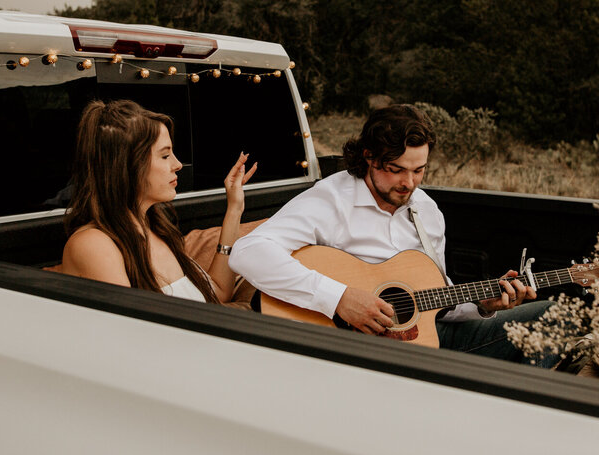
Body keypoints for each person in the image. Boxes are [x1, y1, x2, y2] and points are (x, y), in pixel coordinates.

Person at [229, 104, 555, 363]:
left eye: (419, 170)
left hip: (414, 344)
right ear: (368, 156)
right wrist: (339, 298)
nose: (409, 183)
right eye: (396, 169)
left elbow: (433, 299)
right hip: (342, 349)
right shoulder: (330, 200)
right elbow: (249, 251)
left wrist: (483, 304)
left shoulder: (426, 211)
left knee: (553, 316)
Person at [59, 99, 256, 303]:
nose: (178, 164)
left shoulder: (155, 228)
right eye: (164, 156)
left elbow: (218, 293)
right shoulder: (93, 244)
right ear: (127, 166)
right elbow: (131, 329)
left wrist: (234, 208)